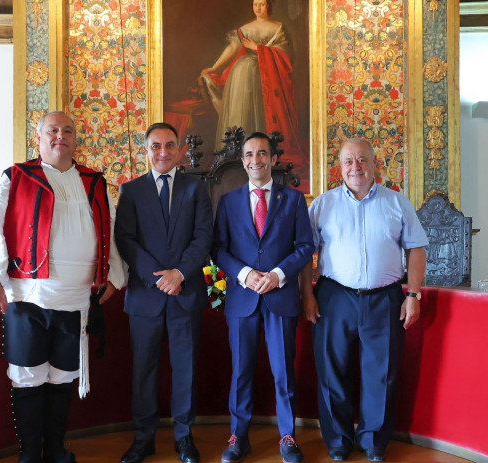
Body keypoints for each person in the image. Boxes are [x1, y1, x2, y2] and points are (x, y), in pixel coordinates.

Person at [0, 111, 127, 463]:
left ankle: (55, 450)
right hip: (27, 296)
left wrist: (113, 273)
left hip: (78, 298)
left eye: (68, 130)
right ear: (38, 138)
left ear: (75, 139)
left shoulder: (95, 182)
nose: (60, 136)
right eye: (52, 130)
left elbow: (108, 228)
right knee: (27, 376)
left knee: (62, 377)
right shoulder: (16, 177)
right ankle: (28, 455)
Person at [300, 139, 428, 462]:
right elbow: (305, 255)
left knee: (381, 372)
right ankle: (339, 440)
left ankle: (373, 441)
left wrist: (412, 294)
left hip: (384, 297)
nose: (355, 167)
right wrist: (307, 295)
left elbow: (416, 249)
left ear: (375, 164)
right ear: (339, 168)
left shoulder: (397, 203)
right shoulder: (321, 205)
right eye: (348, 161)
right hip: (333, 295)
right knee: (331, 371)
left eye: (361, 160)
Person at [212, 132, 314, 463]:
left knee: (283, 370)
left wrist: (277, 275)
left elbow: (305, 247)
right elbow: (218, 249)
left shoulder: (294, 200)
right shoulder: (228, 202)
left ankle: (287, 436)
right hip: (241, 300)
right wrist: (244, 274)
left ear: (272, 159)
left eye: (262, 154)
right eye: (249, 154)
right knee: (241, 370)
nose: (256, 159)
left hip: (280, 297)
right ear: (242, 161)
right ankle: (238, 436)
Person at [114, 122, 213, 463]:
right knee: (143, 371)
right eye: (156, 146)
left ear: (179, 149)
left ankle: (184, 437)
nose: (163, 152)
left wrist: (179, 273)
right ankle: (143, 439)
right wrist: (158, 277)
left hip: (185, 294)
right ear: (147, 150)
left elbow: (203, 238)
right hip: (146, 296)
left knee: (185, 370)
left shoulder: (196, 189)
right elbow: (124, 239)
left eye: (170, 145)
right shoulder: (130, 191)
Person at [199, 0, 307, 188]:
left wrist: (259, 49)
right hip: (242, 76)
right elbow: (233, 49)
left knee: (262, 110)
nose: (258, 7)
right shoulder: (245, 28)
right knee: (243, 109)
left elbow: (285, 55)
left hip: (267, 76)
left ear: (269, 7)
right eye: (255, 4)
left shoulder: (277, 28)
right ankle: (240, 153)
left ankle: (262, 152)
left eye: (262, 4)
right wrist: (215, 67)